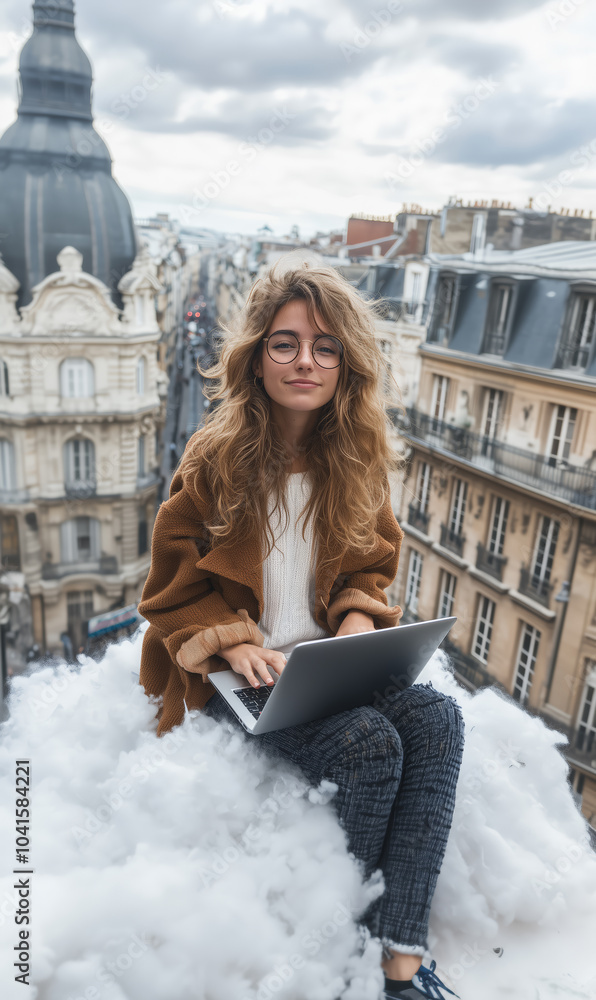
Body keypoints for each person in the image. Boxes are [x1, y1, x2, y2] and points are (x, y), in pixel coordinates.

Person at [137, 253, 465, 1000]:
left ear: (345, 363)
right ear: (257, 359)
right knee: (370, 745)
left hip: (321, 666)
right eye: (284, 343)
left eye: (323, 346)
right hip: (234, 678)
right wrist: (235, 638)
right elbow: (168, 588)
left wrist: (354, 625)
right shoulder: (214, 460)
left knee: (439, 721)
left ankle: (401, 957)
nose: (305, 361)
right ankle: (342, 947)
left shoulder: (355, 459)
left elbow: (371, 567)